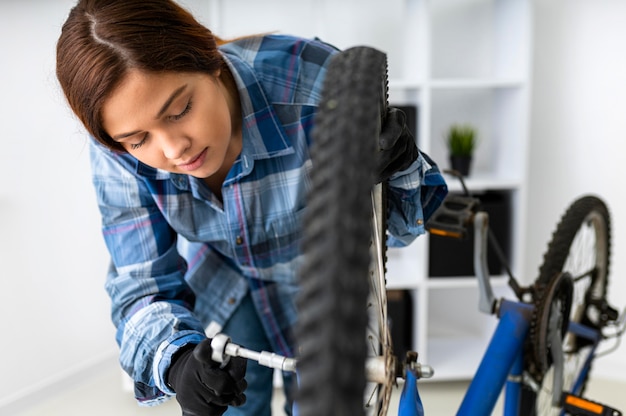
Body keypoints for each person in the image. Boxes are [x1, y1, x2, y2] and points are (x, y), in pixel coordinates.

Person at [55, 1, 448, 415]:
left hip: (322, 282)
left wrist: (400, 168)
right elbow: (141, 283)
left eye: (180, 110)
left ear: (212, 62)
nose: (174, 149)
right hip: (226, 279)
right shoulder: (117, 151)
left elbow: (402, 229)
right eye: (139, 140)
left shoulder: (317, 85)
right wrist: (178, 361)